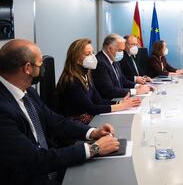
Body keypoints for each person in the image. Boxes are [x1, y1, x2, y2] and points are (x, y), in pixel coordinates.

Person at [0, 39, 120, 185]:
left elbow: (55, 121)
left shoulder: (28, 92)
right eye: (40, 63)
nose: (43, 68)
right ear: (27, 68)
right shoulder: (3, 108)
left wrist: (93, 132)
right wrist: (94, 148)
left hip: (49, 165)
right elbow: (33, 159)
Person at [57, 38, 141, 124]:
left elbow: (99, 101)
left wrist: (119, 102)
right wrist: (122, 106)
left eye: (92, 53)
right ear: (76, 58)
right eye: (87, 54)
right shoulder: (71, 80)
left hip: (88, 120)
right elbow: (92, 109)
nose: (93, 57)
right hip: (75, 125)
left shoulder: (85, 75)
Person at [92, 34, 151, 100]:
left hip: (120, 98)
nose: (122, 53)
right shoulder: (100, 62)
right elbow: (109, 90)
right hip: (110, 102)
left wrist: (138, 86)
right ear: (109, 48)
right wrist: (135, 91)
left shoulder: (114, 59)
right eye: (120, 50)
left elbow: (123, 81)